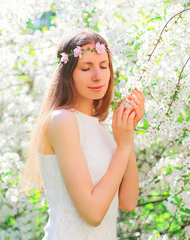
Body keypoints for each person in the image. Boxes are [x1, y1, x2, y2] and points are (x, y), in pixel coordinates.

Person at [22, 29, 145, 240]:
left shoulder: (100, 127)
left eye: (103, 66)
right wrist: (123, 146)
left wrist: (127, 136)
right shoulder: (62, 121)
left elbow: (127, 201)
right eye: (86, 68)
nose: (98, 76)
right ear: (68, 74)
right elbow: (93, 214)